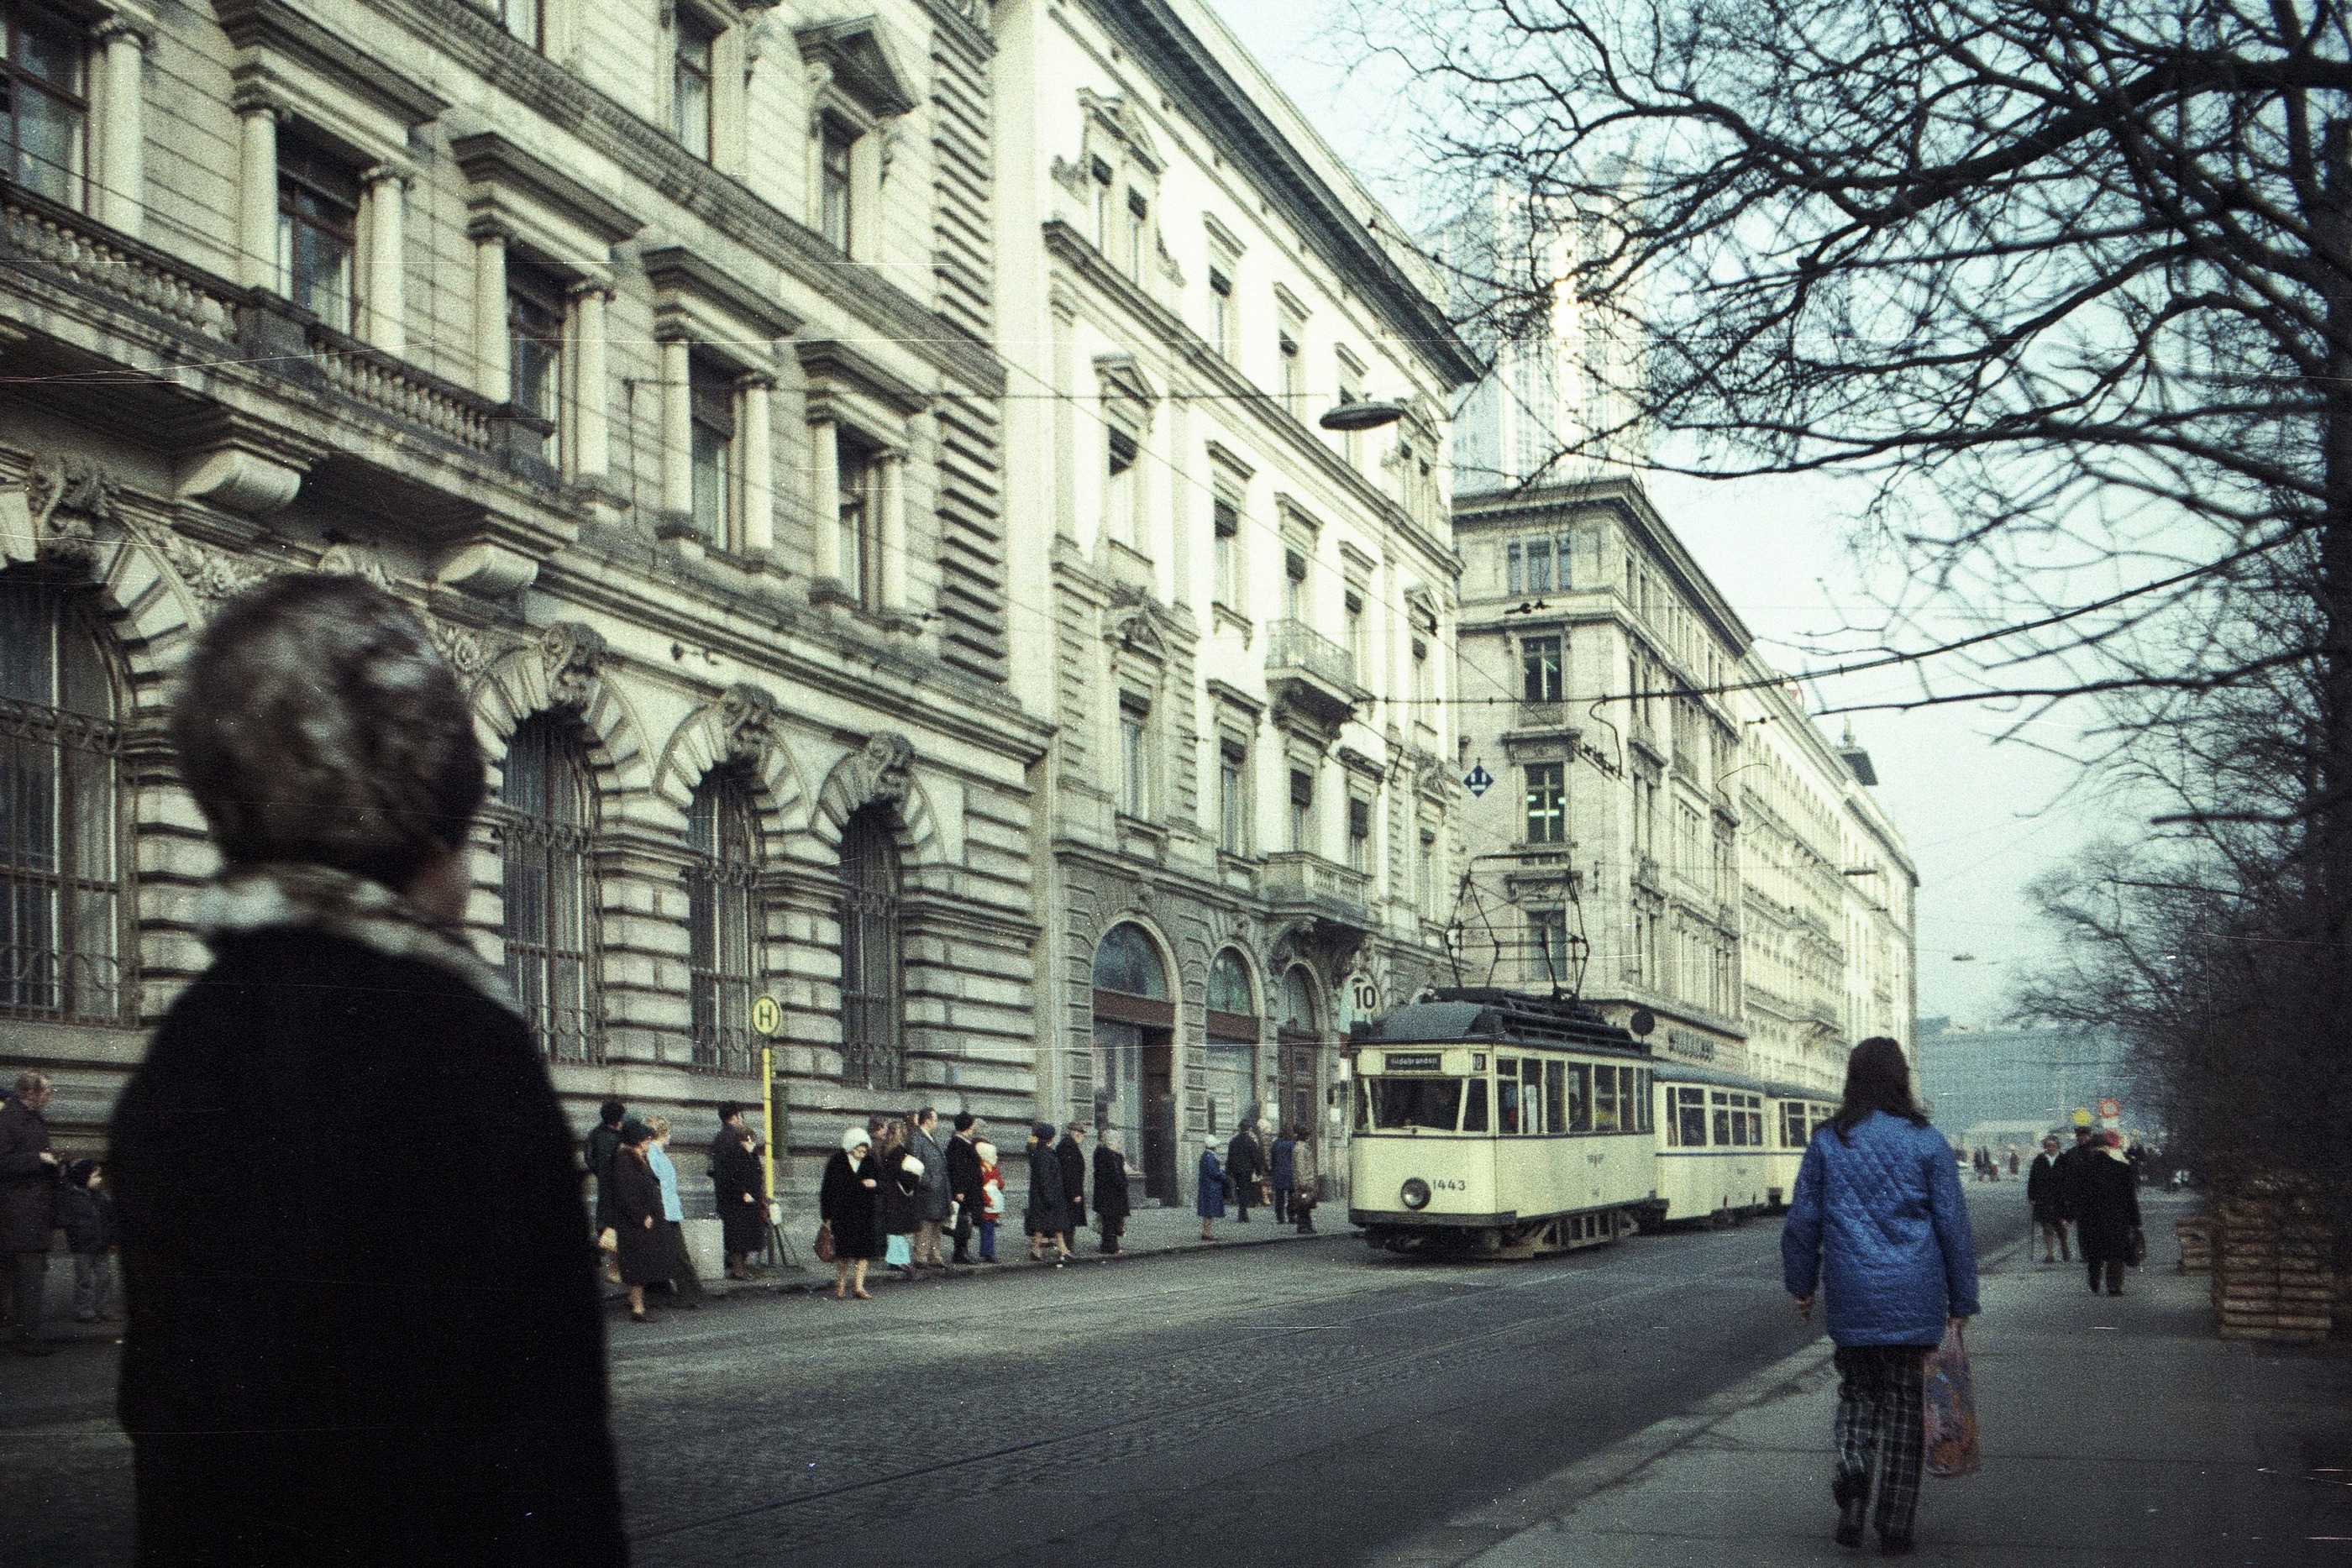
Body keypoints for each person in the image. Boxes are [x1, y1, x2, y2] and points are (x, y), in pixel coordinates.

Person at [108, 574, 625, 1565]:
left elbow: (170, 1408)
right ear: (425, 834)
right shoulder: (453, 1040)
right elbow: (540, 1422)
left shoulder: (189, 1045)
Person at [1782, 1036, 1980, 1557]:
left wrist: (1801, 1285)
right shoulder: (1928, 1141)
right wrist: (1962, 1299)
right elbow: (1953, 1226)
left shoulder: (1828, 1141)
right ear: (1901, 1078)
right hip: (1915, 1297)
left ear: (1852, 1079)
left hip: (1853, 1295)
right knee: (1905, 1412)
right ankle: (1894, 1526)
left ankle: (1852, 1472)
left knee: (1857, 1393)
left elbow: (1803, 1220)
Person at [0, 1072, 60, 1356]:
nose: (50, 1096)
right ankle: (27, 1338)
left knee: (28, 1277)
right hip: (20, 1213)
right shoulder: (10, 1120)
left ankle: (25, 1335)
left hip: (32, 1211)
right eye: (46, 1091)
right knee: (29, 1278)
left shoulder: (30, 1118)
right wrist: (37, 1159)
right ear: (31, 1093)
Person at [611, 1120, 670, 1322]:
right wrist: (642, 1216)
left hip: (642, 1221)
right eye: (646, 1138)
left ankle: (635, 1301)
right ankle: (638, 1308)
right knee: (638, 1267)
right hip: (636, 1224)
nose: (649, 1141)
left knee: (641, 1265)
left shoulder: (636, 1157)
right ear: (637, 1140)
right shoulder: (625, 1160)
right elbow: (627, 1194)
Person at [645, 1117, 703, 1308]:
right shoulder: (653, 1155)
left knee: (666, 1254)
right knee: (679, 1254)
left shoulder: (657, 1154)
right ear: (662, 1134)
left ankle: (661, 1296)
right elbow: (655, 1185)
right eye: (668, 1132)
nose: (670, 1136)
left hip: (667, 1210)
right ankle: (690, 1295)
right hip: (665, 1211)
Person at [2076, 1130, 2143, 1296]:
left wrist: (2075, 1216)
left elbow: (2076, 1197)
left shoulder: (2083, 1171)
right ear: (2107, 1148)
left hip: (2091, 1219)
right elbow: (2130, 1198)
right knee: (2116, 1253)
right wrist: (2135, 1221)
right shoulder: (2122, 1169)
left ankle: (2094, 1281)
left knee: (2094, 1253)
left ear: (2091, 1149)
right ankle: (2114, 1286)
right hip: (2117, 1218)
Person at [820, 1126, 881, 1300]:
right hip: (843, 1213)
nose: (861, 1155)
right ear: (850, 1147)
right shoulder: (837, 1161)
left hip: (864, 1213)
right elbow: (827, 1189)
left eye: (864, 1151)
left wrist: (874, 1183)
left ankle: (858, 1286)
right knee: (844, 1253)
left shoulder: (869, 1161)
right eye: (858, 1151)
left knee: (863, 1252)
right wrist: (827, 1215)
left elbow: (880, 1182)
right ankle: (841, 1283)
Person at [60, 1158, 118, 1324]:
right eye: (95, 1176)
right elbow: (67, 1221)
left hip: (101, 1245)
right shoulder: (72, 1198)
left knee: (104, 1279)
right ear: (83, 1177)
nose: (99, 1179)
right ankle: (84, 1311)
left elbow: (109, 1219)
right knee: (84, 1280)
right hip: (83, 1246)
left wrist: (112, 1240)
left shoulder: (100, 1197)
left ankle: (104, 1309)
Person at [713, 1128, 765, 1281]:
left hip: (750, 1204)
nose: (752, 1144)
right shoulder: (733, 1156)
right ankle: (738, 1270)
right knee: (739, 1240)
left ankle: (743, 1267)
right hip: (738, 1205)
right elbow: (729, 1179)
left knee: (748, 1239)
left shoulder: (752, 1156)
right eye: (750, 1141)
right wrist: (742, 1193)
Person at [875, 1119, 921, 1282]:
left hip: (891, 1193)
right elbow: (900, 1173)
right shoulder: (899, 1151)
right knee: (898, 1229)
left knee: (895, 1229)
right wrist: (914, 1178)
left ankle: (897, 1259)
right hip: (898, 1195)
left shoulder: (886, 1149)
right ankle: (898, 1260)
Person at [909, 1107, 953, 1270]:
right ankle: (920, 1257)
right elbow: (914, 1166)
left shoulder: (931, 1137)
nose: (937, 1123)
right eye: (935, 1120)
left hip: (938, 1189)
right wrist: (929, 1182)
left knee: (937, 1223)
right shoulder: (916, 1138)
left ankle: (934, 1256)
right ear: (927, 1121)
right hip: (927, 1190)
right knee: (925, 1224)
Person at [1025, 1122, 1072, 1263]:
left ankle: (1043, 1250)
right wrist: (1049, 1197)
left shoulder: (1039, 1151)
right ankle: (1058, 1250)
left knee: (1047, 1225)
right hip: (1048, 1194)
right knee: (1050, 1224)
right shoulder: (1044, 1154)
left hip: (1045, 1194)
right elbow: (1045, 1178)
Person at [585, 1099, 626, 1241]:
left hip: (604, 1184)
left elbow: (589, 1158)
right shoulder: (621, 1136)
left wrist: (601, 1172)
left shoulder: (595, 1133)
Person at [948, 1113, 984, 1264]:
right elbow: (958, 1169)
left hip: (969, 1188)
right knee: (962, 1220)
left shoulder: (963, 1142)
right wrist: (959, 1190)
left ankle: (963, 1250)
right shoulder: (958, 1143)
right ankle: (960, 1252)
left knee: (965, 1220)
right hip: (964, 1190)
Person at [2026, 1135, 2070, 1264]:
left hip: (2060, 1199)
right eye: (2048, 1146)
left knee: (2061, 1228)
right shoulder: (2039, 1160)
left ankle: (2064, 1245)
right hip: (2043, 1199)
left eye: (2053, 1146)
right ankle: (2050, 1254)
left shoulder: (2064, 1159)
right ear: (2045, 1147)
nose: (2051, 1148)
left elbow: (2070, 1179)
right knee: (2047, 1227)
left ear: (2058, 1146)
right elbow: (2032, 1179)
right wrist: (2031, 1196)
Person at [1093, 1133, 1131, 1256]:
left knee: (1109, 1221)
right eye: (1117, 1142)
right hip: (1111, 1194)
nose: (1118, 1145)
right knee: (1111, 1221)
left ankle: (1107, 1246)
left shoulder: (1104, 1154)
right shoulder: (1110, 1156)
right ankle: (1112, 1247)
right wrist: (1123, 1184)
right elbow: (1116, 1175)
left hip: (1106, 1194)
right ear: (1111, 1143)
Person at [1057, 1121, 1089, 1252]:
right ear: (1076, 1133)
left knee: (1069, 1221)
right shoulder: (1069, 1147)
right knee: (1070, 1221)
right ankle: (1066, 1250)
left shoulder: (1067, 1145)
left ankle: (1066, 1248)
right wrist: (1075, 1193)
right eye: (1081, 1133)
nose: (1083, 1136)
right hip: (1069, 1192)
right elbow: (1070, 1173)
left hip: (1066, 1190)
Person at [1226, 1120, 1264, 1224]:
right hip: (1247, 1170)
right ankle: (1243, 1213)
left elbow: (1230, 1157)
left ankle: (1241, 1212)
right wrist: (1259, 1171)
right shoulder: (1251, 1141)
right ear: (1249, 1128)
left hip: (1236, 1170)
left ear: (1240, 1128)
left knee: (1239, 1189)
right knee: (1245, 1190)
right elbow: (1255, 1157)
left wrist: (1228, 1170)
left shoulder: (1234, 1141)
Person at [974, 1140, 1005, 1264]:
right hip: (987, 1203)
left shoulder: (994, 1168)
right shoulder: (981, 1169)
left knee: (990, 1228)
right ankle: (988, 1252)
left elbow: (1000, 1183)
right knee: (987, 1229)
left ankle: (989, 1251)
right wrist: (987, 1200)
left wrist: (998, 1183)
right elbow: (981, 1187)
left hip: (994, 1202)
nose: (995, 1157)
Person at [1197, 1138, 1228, 1241]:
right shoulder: (1210, 1157)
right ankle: (1207, 1232)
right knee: (1210, 1210)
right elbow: (1214, 1173)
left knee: (1208, 1210)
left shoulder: (1205, 1155)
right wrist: (1223, 1175)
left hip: (1206, 1185)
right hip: (1211, 1186)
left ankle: (1206, 1231)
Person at [1290, 1126, 1319, 1234]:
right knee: (1303, 1205)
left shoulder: (1303, 1148)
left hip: (1307, 1181)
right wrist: (1303, 1183)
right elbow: (1300, 1168)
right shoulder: (1300, 1149)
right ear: (1306, 1137)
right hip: (1304, 1182)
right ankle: (1303, 1226)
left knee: (1306, 1205)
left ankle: (1307, 1225)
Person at [1270, 1125, 1298, 1225]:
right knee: (1292, 1195)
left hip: (1278, 1172)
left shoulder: (1275, 1144)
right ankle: (1291, 1216)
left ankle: (1280, 1217)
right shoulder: (1292, 1144)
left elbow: (1272, 1159)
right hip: (1290, 1172)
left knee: (1279, 1196)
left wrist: (1272, 1170)